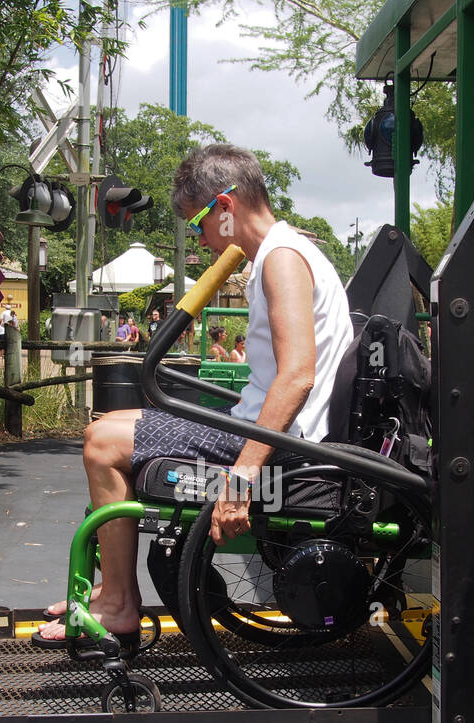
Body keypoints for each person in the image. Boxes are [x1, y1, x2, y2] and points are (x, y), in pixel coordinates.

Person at [37, 143, 352, 640]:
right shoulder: (278, 252)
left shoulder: (282, 259)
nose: (202, 239)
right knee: (106, 428)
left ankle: (120, 603)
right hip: (268, 430)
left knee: (102, 444)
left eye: (200, 223)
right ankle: (112, 590)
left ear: (226, 208)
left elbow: (297, 375)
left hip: (287, 452)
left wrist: (243, 477)